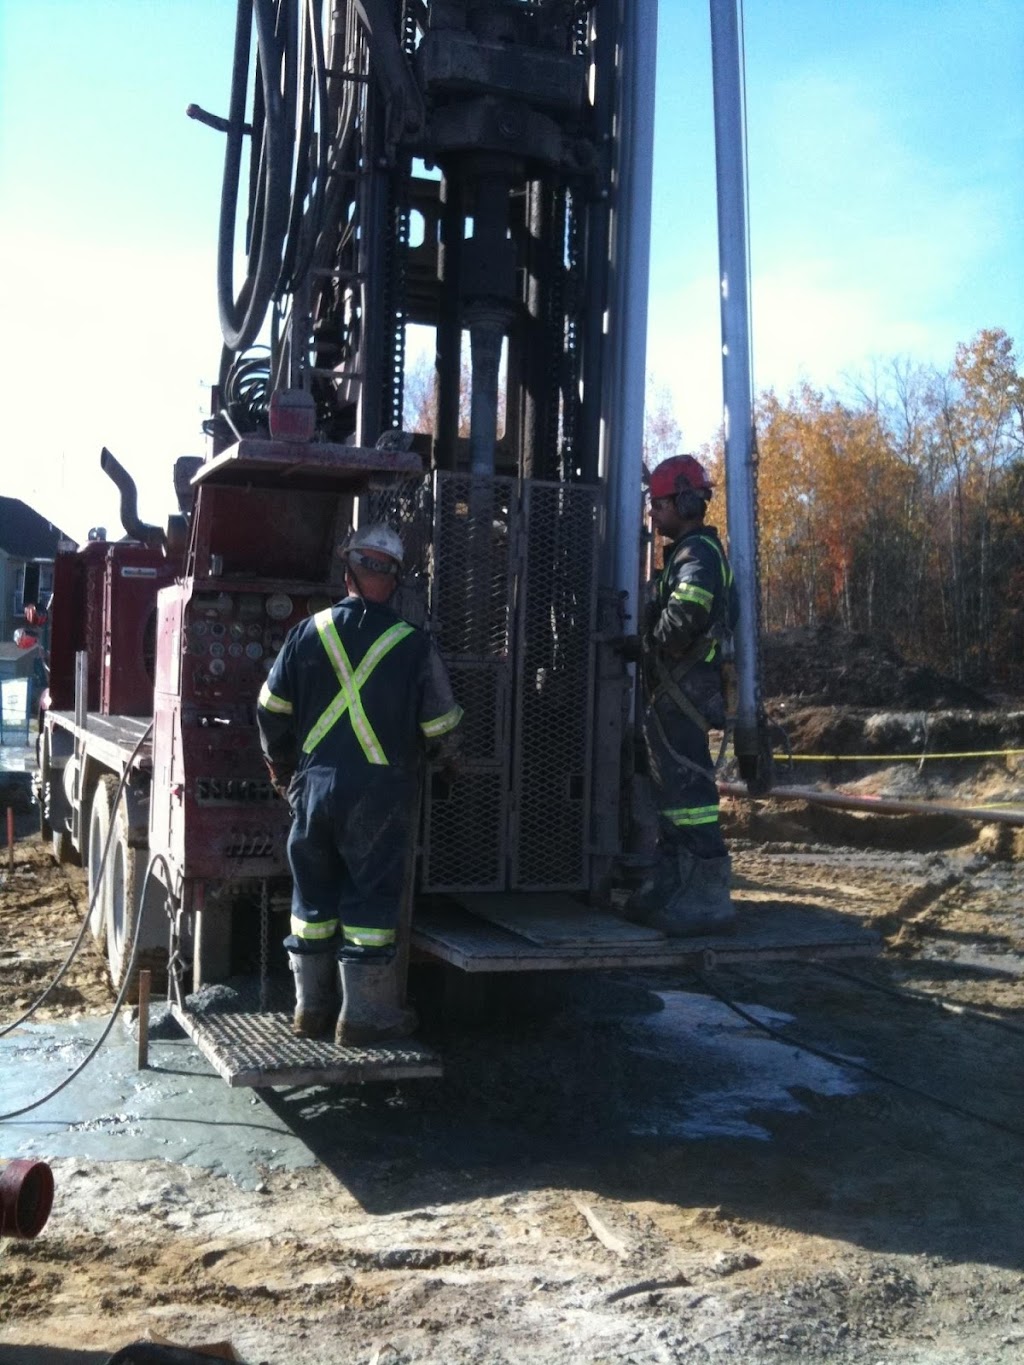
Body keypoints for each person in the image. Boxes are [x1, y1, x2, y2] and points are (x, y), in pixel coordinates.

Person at [256, 523, 463, 1045]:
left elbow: (269, 710)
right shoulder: (413, 646)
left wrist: (282, 770)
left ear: (348, 572)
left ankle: (310, 1010)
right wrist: (447, 766)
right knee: (371, 902)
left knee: (312, 899)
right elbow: (442, 727)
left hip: (313, 789)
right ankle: (364, 1016)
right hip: (378, 796)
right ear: (393, 580)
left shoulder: (306, 633)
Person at [620, 454, 739, 935]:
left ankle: (707, 893)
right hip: (675, 692)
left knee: (691, 794)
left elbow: (683, 620)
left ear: (686, 501)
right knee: (674, 795)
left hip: (685, 691)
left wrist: (647, 638)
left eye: (659, 504)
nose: (653, 513)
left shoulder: (697, 557)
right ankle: (674, 883)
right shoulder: (687, 555)